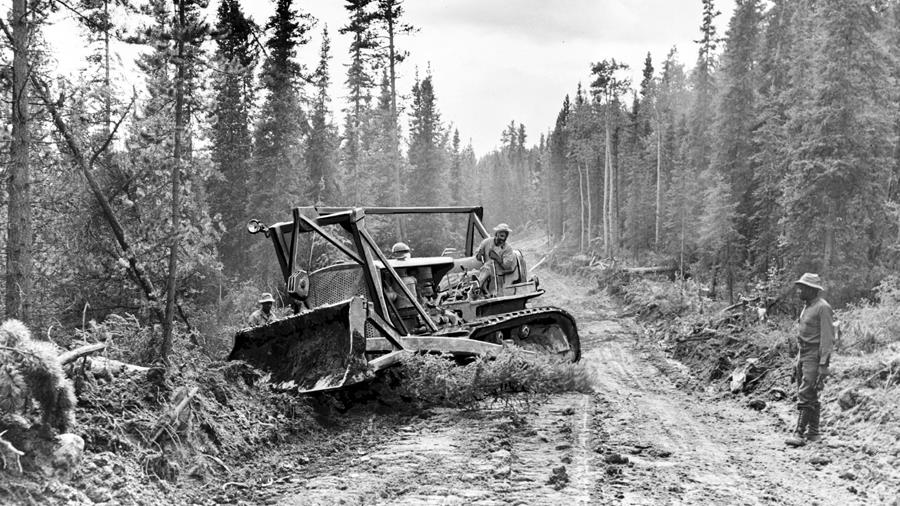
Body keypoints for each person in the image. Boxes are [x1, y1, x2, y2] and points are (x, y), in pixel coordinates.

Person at [785, 273, 834, 447]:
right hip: (804, 355)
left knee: (806, 393)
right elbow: (803, 337)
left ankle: (799, 433)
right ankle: (814, 433)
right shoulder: (807, 307)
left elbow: (827, 338)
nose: (799, 291)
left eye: (803, 288)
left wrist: (823, 364)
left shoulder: (823, 308)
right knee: (809, 392)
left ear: (812, 290)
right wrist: (797, 360)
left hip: (814, 356)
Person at [473, 223, 516, 298]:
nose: (502, 239)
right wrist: (479, 254)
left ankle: (479, 286)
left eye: (504, 237)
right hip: (485, 271)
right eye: (501, 236)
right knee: (487, 267)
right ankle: (479, 287)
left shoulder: (508, 248)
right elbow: (477, 256)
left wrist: (497, 258)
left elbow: (507, 265)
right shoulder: (486, 242)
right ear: (496, 234)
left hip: (500, 273)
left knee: (489, 267)